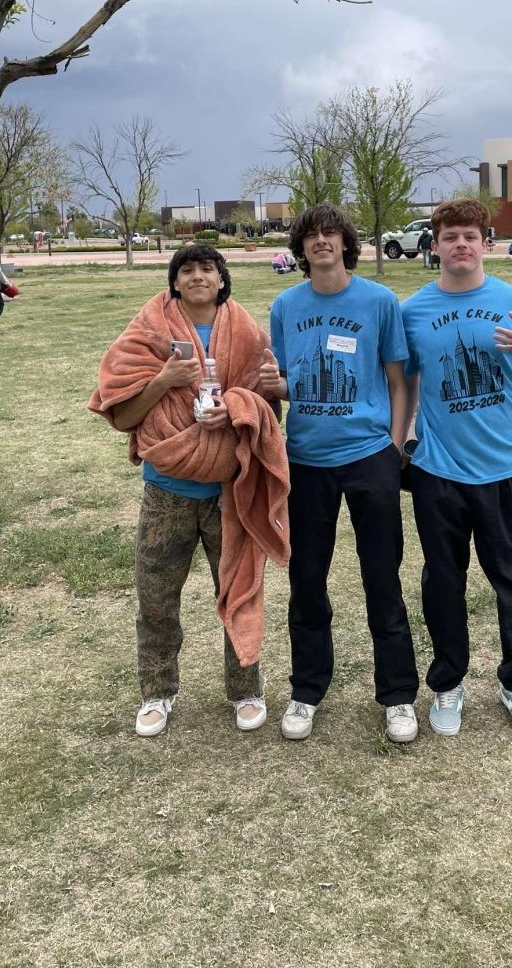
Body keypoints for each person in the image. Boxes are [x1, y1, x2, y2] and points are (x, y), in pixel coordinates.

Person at [89, 245, 290, 737]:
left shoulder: (248, 334)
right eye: (187, 270)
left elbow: (269, 414)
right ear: (174, 282)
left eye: (207, 269)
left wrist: (238, 406)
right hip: (166, 494)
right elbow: (123, 416)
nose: (198, 276)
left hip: (228, 492)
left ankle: (245, 689)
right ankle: (157, 692)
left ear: (221, 280)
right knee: (156, 599)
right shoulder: (147, 333)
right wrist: (164, 380)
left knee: (239, 592)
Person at [400, 199, 512, 740]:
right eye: (450, 237)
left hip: (505, 470)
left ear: (485, 243)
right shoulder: (413, 311)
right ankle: (448, 683)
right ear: (436, 246)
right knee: (443, 584)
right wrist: (400, 444)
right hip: (438, 474)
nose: (461, 245)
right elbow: (406, 384)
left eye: (470, 236)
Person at [264, 203, 419, 745]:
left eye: (331, 233)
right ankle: (306, 690)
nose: (322, 241)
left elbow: (399, 380)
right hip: (307, 461)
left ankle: (398, 695)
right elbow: (287, 381)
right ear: (301, 248)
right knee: (307, 580)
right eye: (311, 235)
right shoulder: (286, 306)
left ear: (346, 243)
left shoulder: (378, 301)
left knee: (383, 578)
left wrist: (394, 447)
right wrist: (272, 388)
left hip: (370, 456)